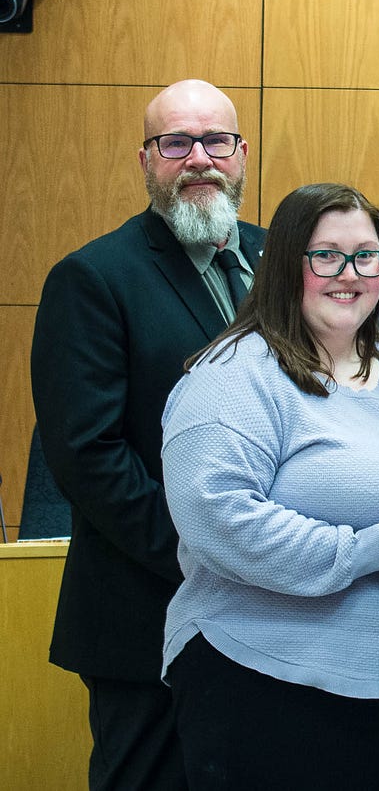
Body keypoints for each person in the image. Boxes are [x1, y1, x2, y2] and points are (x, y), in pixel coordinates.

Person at [160, 182, 379, 786]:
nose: (349, 274)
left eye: (366, 256)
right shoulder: (237, 373)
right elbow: (217, 515)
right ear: (285, 263)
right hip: (269, 686)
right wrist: (374, 548)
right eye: (326, 255)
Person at [31, 79, 264, 790]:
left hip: (270, 621)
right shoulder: (93, 277)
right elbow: (89, 457)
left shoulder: (284, 262)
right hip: (145, 615)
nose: (199, 159)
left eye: (215, 141)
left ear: (241, 153)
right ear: (145, 160)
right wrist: (210, 551)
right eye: (175, 143)